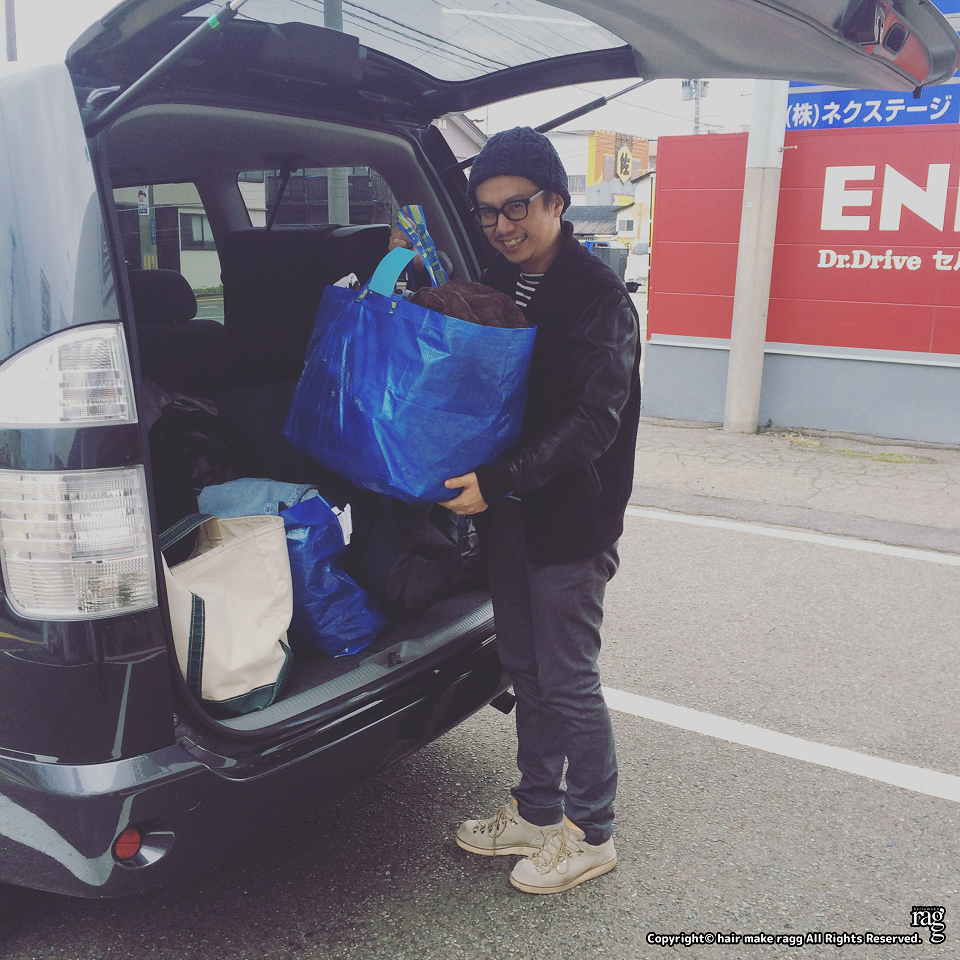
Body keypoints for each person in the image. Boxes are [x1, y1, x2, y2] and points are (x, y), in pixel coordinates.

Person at [439, 127, 641, 894]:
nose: (502, 225)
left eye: (517, 207)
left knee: (566, 678)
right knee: (523, 668)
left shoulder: (598, 298)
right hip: (512, 509)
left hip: (570, 518)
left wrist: (500, 480)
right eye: (488, 211)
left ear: (556, 201)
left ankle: (592, 831)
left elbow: (594, 422)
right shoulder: (499, 276)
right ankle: (535, 809)